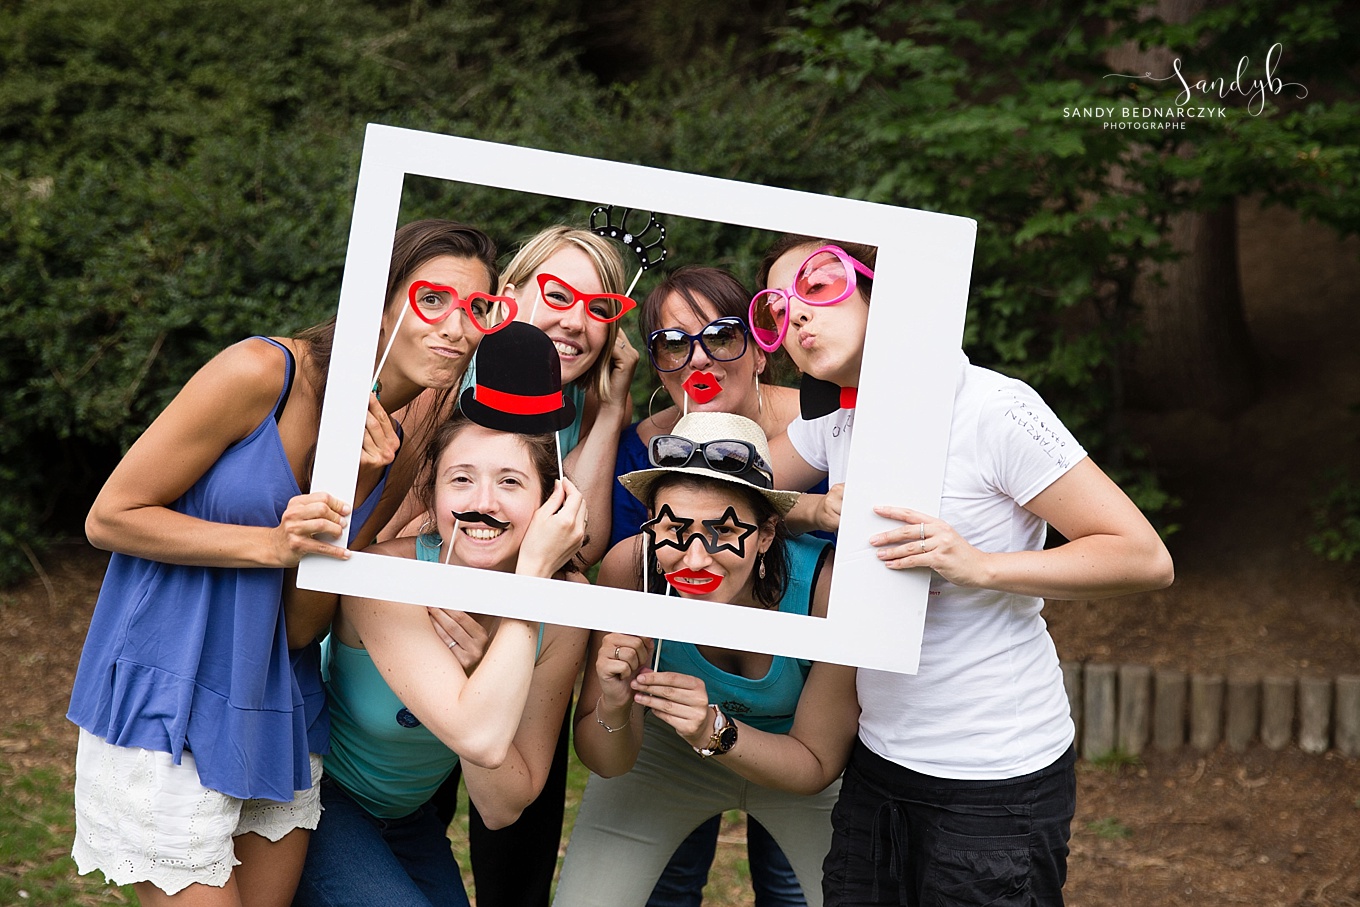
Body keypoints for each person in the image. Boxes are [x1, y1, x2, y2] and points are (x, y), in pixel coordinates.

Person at [66, 219, 503, 905]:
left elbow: (304, 627)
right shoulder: (263, 372)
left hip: (279, 705)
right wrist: (270, 544)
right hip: (171, 693)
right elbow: (111, 515)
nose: (459, 327)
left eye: (478, 309)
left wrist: (356, 491)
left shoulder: (403, 438)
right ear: (378, 299)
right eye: (433, 300)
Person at [754, 235, 1176, 906]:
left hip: (995, 780)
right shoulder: (839, 423)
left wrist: (980, 566)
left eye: (819, 285)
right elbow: (733, 485)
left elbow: (1143, 555)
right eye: (776, 308)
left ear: (879, 287)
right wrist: (811, 508)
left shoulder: (992, 409)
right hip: (879, 764)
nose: (796, 316)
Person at [413, 225, 640, 907]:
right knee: (412, 819)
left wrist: (612, 408)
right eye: (557, 293)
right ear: (507, 296)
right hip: (422, 644)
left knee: (517, 853)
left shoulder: (590, 404)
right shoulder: (447, 383)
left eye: (598, 308)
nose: (574, 319)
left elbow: (586, 542)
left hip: (525, 649)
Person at [553, 412, 859, 907]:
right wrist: (613, 704)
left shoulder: (824, 588)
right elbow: (605, 761)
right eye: (673, 529)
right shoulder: (633, 569)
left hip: (795, 759)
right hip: (668, 754)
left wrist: (713, 731)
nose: (694, 559)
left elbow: (817, 765)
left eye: (723, 532)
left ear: (765, 535)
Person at [293, 400, 589, 907]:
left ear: (549, 503)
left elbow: (501, 807)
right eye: (461, 479)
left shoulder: (564, 608)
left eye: (511, 482)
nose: (484, 502)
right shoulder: (385, 578)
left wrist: (481, 667)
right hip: (318, 799)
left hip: (411, 816)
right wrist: (528, 588)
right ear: (432, 494)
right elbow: (477, 732)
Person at [610, 266, 825, 906]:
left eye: (722, 335)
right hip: (681, 705)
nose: (697, 356)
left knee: (794, 884)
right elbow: (634, 569)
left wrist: (806, 512)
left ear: (760, 345)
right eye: (673, 344)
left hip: (808, 701)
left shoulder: (829, 429)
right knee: (667, 880)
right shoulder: (640, 451)